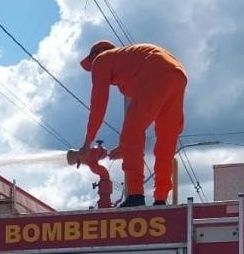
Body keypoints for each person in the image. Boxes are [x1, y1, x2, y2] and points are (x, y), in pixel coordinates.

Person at [78, 41, 187, 207]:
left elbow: (98, 104)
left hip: (155, 70)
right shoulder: (129, 62)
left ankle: (135, 195)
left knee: (132, 133)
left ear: (94, 55)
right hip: (177, 74)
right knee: (166, 138)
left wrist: (87, 143)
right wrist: (125, 147)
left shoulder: (101, 60)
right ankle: (160, 198)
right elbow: (140, 112)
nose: (93, 72)